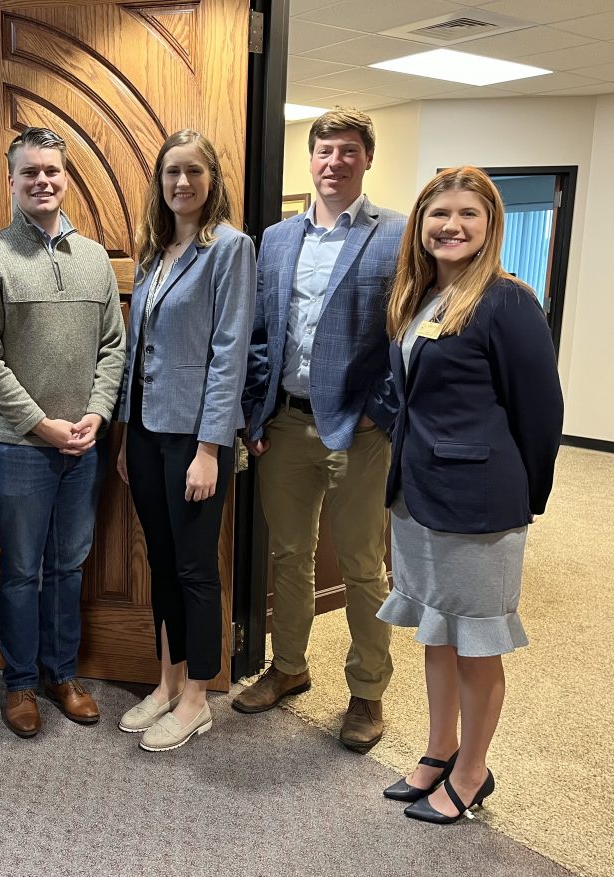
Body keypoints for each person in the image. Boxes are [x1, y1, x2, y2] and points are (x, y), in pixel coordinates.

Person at [377, 166, 563, 823]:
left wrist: (523, 499)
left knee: (478, 643)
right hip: (419, 494)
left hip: (481, 503)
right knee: (437, 633)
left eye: (467, 215)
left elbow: (541, 413)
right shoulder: (423, 295)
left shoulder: (508, 301)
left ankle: (473, 769)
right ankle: (438, 751)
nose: (451, 226)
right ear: (420, 224)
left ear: (490, 226)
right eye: (438, 214)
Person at [237, 108, 405, 753]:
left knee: (363, 565)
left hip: (358, 432)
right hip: (285, 424)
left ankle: (366, 692)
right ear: (309, 159)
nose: (334, 161)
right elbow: (260, 335)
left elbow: (405, 332)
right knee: (288, 555)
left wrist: (379, 409)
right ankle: (288, 667)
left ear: (366, 160)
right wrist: (256, 413)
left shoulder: (395, 235)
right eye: (324, 150)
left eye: (348, 151)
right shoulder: (277, 239)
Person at [0, 127, 125, 738]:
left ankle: (63, 674)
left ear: (66, 176)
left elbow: (113, 346)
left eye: (52, 170)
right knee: (22, 567)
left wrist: (98, 414)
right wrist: (41, 424)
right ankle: (21, 683)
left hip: (84, 443)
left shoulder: (95, 260)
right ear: (11, 181)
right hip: (17, 445)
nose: (43, 181)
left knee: (70, 565)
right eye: (29, 172)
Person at [114, 130, 255, 751]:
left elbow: (229, 355)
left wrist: (209, 448)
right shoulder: (154, 252)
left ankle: (198, 696)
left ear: (212, 179)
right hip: (145, 433)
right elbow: (135, 350)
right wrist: (124, 435)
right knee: (162, 564)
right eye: (172, 172)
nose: (181, 183)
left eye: (193, 171)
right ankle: (166, 681)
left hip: (195, 440)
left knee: (196, 568)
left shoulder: (228, 248)